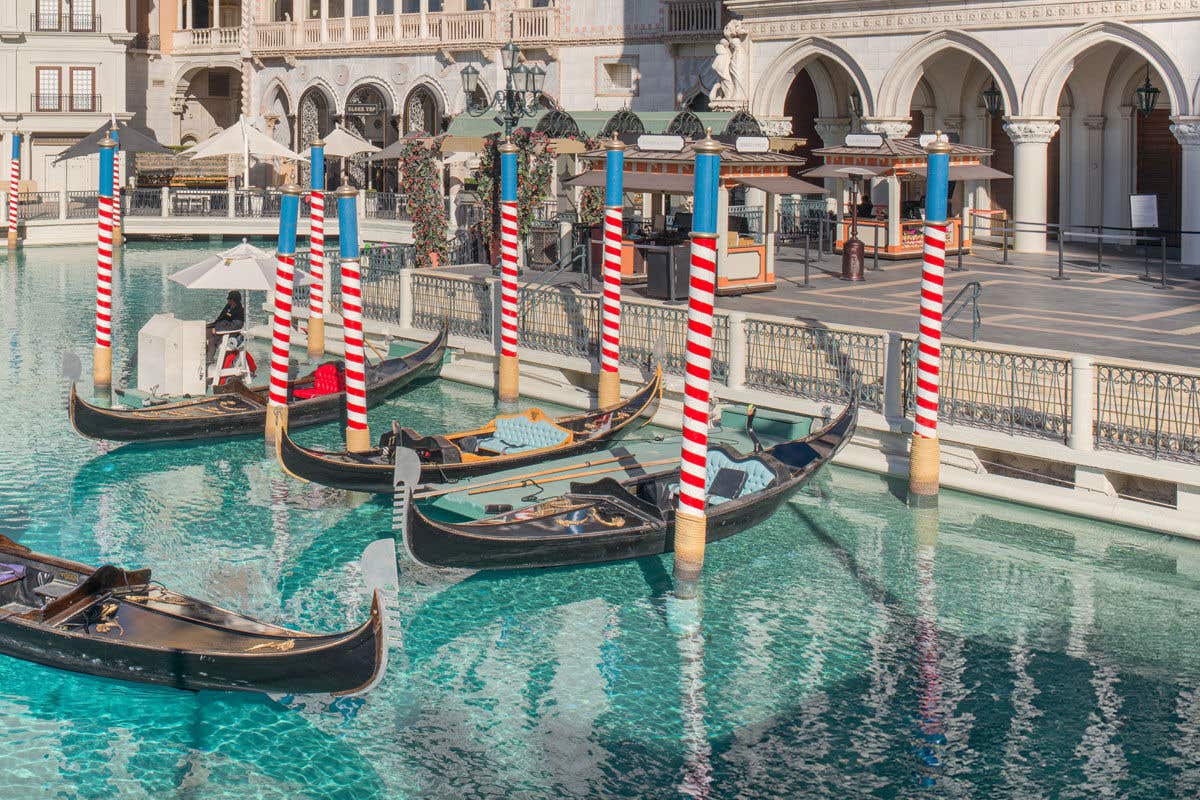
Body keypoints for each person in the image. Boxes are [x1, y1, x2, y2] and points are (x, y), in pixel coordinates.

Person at [207, 291, 245, 357]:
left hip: (228, 333)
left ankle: (209, 360)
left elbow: (235, 327)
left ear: (234, 300)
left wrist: (217, 329)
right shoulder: (229, 305)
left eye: (229, 299)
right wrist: (210, 325)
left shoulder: (239, 312)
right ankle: (203, 357)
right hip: (220, 327)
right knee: (203, 331)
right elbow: (220, 317)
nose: (227, 300)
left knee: (212, 340)